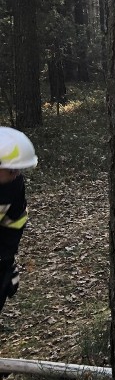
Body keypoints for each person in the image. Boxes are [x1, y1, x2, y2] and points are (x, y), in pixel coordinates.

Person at [0, 127, 38, 315]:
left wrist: (7, 263)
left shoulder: (15, 185)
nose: (15, 173)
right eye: (10, 169)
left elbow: (15, 222)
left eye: (18, 169)